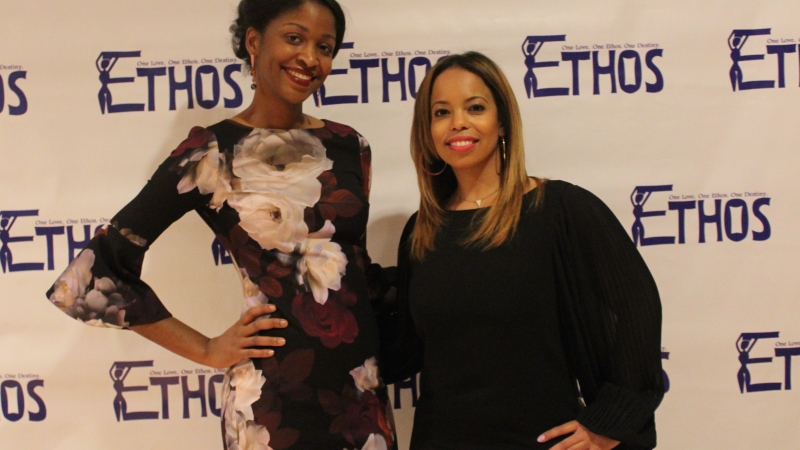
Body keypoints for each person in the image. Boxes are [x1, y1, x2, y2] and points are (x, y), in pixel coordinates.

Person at [45, 1, 396, 449]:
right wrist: (206, 349)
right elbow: (92, 275)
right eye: (294, 38)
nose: (310, 57)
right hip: (271, 401)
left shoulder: (351, 146)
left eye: (324, 46)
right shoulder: (210, 153)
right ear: (254, 41)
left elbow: (355, 268)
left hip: (359, 396)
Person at [376, 52, 664, 450]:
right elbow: (404, 353)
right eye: (441, 112)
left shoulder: (560, 209)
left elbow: (636, 309)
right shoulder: (422, 231)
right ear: (427, 131)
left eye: (475, 107)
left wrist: (611, 422)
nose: (458, 122)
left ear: (503, 122)